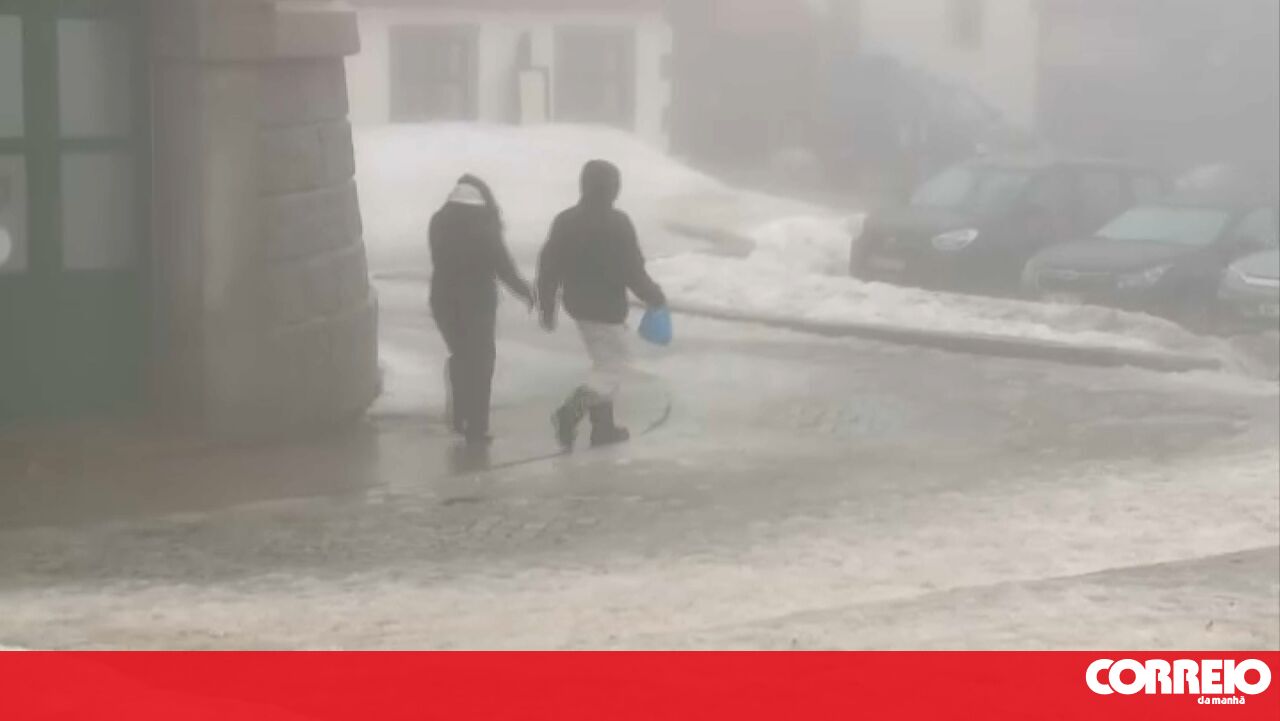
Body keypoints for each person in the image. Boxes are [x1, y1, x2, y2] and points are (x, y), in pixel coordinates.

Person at [537, 160, 666, 449]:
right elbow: (632, 269)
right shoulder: (617, 223)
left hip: (579, 307)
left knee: (603, 364)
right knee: (613, 368)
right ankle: (569, 413)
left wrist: (547, 306)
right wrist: (654, 296)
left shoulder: (566, 220)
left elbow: (548, 267)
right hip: (606, 309)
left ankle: (603, 428)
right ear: (612, 188)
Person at [429, 175, 535, 446]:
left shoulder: (438, 222)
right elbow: (504, 268)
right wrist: (528, 293)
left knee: (462, 355)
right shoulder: (484, 228)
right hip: (476, 303)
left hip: (443, 300)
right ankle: (476, 426)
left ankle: (460, 414)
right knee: (481, 362)